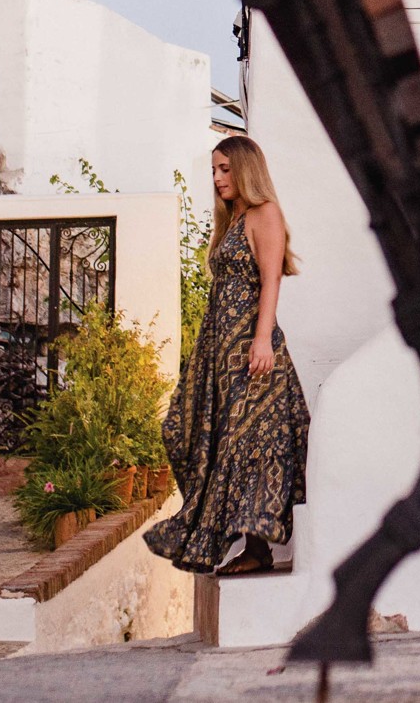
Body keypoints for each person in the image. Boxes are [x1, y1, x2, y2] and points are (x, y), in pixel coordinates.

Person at [145, 135, 310, 575]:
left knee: (251, 442)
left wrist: (261, 340)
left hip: (250, 350)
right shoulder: (231, 219)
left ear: (246, 169)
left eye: (225, 169)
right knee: (186, 430)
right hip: (219, 350)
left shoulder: (264, 214)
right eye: (214, 171)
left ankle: (258, 547)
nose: (218, 178)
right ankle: (231, 533)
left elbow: (271, 281)